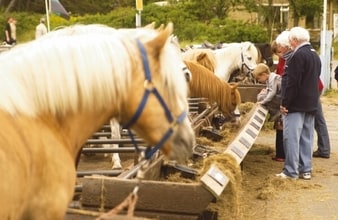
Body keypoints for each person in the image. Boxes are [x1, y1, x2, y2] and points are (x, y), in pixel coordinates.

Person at [277, 27, 321, 180]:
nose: (290, 43)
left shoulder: (297, 56)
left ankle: (291, 171)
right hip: (311, 103)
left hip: (296, 104)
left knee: (291, 137)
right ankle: (306, 169)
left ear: (295, 40)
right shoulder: (315, 55)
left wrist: (285, 103)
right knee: (306, 137)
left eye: (290, 40)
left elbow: (292, 82)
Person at [269, 31, 293, 162]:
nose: (278, 55)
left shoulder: (287, 59)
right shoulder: (282, 59)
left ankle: (281, 155)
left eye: (278, 52)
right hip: (283, 94)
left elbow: (283, 77)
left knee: (281, 125)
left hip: (285, 96)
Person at [312, 82, 331, 158]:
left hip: (312, 89)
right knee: (318, 120)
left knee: (318, 120)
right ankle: (324, 149)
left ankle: (324, 150)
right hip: (315, 87)